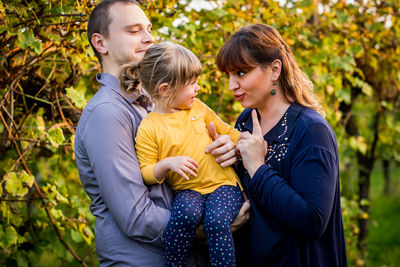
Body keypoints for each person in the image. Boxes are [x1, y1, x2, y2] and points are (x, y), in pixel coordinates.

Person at [74, 0, 248, 266]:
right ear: (100, 43)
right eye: (134, 31)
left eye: (149, 28)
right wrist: (215, 225)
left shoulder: (162, 103)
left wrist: (227, 149)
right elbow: (135, 215)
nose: (149, 38)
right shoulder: (107, 113)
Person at [216, 23, 348, 266]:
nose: (232, 85)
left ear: (275, 69)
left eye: (242, 73)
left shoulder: (311, 131)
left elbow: (312, 221)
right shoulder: (246, 121)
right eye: (229, 75)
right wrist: (228, 158)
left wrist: (257, 166)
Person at [119, 41, 244, 267]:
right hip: (189, 191)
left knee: (216, 222)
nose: (198, 89)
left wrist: (239, 144)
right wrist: (167, 164)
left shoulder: (199, 109)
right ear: (165, 90)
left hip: (223, 185)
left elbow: (230, 132)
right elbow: (146, 172)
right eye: (192, 83)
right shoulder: (149, 128)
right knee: (182, 218)